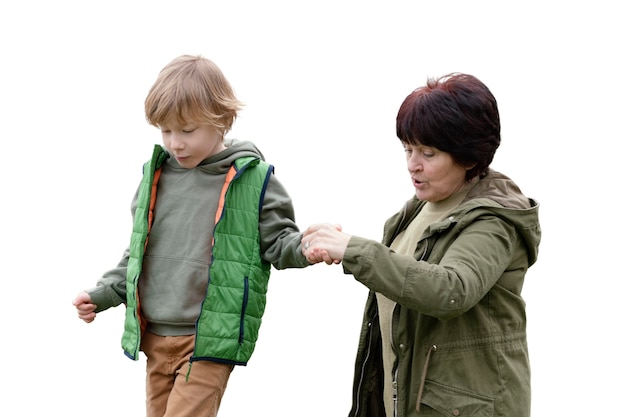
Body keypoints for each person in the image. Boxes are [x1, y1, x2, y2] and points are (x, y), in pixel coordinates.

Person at [72, 54, 311, 417]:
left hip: (209, 338)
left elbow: (280, 244)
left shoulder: (253, 179)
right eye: (165, 131)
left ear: (223, 121)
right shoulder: (156, 179)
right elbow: (137, 254)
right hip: (155, 338)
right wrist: (104, 293)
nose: (175, 143)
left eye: (187, 131)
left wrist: (309, 247)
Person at [302, 73, 541, 417]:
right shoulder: (417, 210)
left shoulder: (495, 219)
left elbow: (451, 289)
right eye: (408, 149)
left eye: (428, 153)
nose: (412, 164)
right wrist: (337, 245)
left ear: (470, 157)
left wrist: (355, 250)